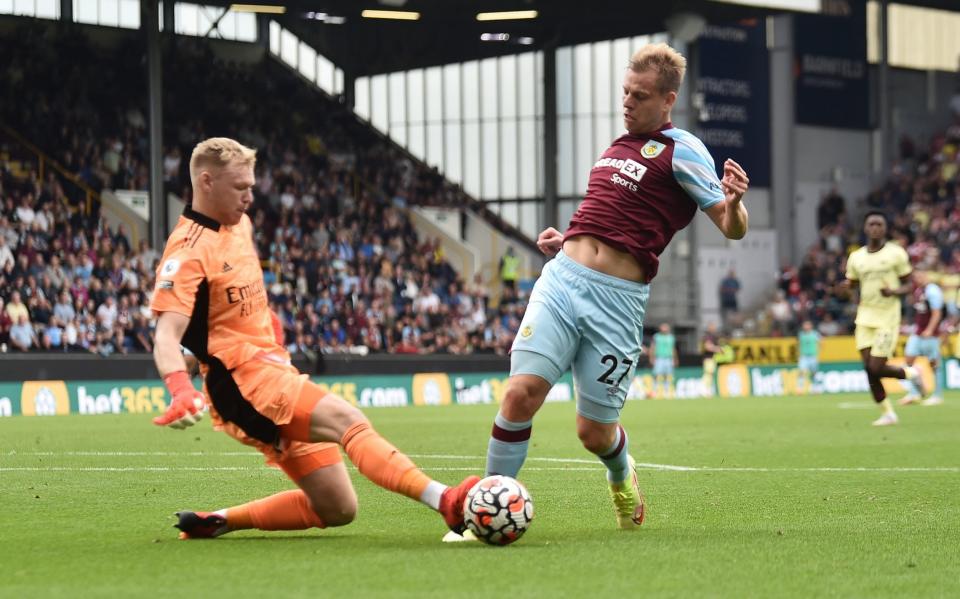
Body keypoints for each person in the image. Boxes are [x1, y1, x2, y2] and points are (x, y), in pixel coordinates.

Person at [150, 137, 478, 540]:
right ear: (205, 182)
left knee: (338, 508)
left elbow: (227, 313)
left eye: (252, 186)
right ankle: (446, 501)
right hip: (242, 383)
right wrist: (180, 388)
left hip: (269, 370)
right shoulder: (187, 253)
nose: (250, 196)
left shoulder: (241, 226)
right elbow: (166, 334)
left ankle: (218, 520)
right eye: (241, 188)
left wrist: (264, 323)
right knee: (349, 421)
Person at [482, 43, 749, 531]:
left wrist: (733, 203)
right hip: (563, 280)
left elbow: (732, 228)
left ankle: (622, 474)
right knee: (520, 393)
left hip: (616, 305)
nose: (627, 102)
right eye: (625, 92)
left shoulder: (681, 149)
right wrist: (570, 239)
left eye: (640, 95)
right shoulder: (614, 148)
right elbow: (612, 215)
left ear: (668, 100)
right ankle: (482, 512)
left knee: (594, 433)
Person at [843, 211, 925, 426]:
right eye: (872, 224)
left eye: (880, 224)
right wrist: (841, 289)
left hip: (887, 317)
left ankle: (912, 374)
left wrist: (894, 292)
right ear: (865, 228)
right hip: (864, 317)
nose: (875, 228)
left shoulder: (896, 254)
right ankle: (888, 413)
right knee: (868, 369)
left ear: (885, 229)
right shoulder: (856, 258)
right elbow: (850, 287)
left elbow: (910, 284)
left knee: (877, 367)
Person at [899, 271, 945, 406]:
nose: (918, 279)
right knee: (908, 360)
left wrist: (930, 329)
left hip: (931, 334)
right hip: (918, 332)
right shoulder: (919, 290)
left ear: (927, 275)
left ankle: (937, 395)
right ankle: (914, 393)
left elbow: (937, 313)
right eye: (916, 277)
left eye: (920, 276)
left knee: (934, 364)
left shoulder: (933, 290)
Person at [648, 323, 678, 398]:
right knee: (656, 375)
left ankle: (667, 392)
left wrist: (675, 359)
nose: (664, 329)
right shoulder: (656, 336)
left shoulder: (671, 337)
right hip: (659, 358)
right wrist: (651, 358)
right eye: (663, 327)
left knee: (668, 375)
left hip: (668, 358)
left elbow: (673, 349)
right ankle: (655, 391)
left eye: (666, 327)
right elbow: (652, 347)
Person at [796, 320, 821, 393]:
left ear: (811, 326)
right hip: (804, 357)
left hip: (813, 356)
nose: (806, 327)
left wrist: (818, 352)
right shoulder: (801, 335)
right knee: (801, 371)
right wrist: (799, 355)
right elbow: (798, 344)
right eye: (805, 325)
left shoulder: (815, 334)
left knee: (813, 373)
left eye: (807, 325)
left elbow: (821, 342)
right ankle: (800, 389)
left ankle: (815, 388)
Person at [701, 322, 722, 396]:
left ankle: (707, 390)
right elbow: (707, 346)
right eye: (713, 326)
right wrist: (717, 349)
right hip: (708, 358)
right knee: (708, 373)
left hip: (712, 358)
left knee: (710, 374)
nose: (714, 328)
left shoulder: (713, 336)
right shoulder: (708, 336)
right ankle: (704, 389)